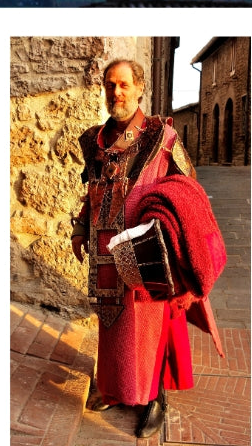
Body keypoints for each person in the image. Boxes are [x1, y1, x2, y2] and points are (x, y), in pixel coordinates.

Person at [72, 58, 224, 440]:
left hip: (147, 253)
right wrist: (79, 229)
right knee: (112, 327)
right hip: (105, 251)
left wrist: (176, 235)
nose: (115, 93)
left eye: (123, 85)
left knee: (149, 329)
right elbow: (90, 193)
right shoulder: (95, 142)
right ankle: (115, 390)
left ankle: (155, 399)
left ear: (139, 88)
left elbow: (189, 188)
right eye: (110, 85)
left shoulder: (163, 138)